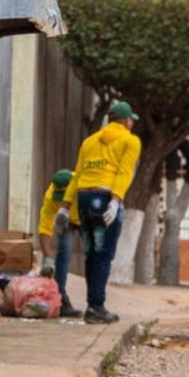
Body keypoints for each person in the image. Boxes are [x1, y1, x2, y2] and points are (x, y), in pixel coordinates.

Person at [64, 100, 142, 324]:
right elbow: (125, 172)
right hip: (106, 198)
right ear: (126, 121)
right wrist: (116, 200)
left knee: (92, 255)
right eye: (131, 121)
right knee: (104, 256)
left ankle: (93, 307)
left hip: (83, 198)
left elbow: (77, 174)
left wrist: (65, 206)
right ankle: (96, 307)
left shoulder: (89, 141)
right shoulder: (130, 140)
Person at [37, 168, 83, 318]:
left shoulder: (83, 185)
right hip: (67, 221)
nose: (61, 200)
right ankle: (62, 300)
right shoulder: (51, 196)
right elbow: (45, 226)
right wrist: (47, 258)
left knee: (95, 257)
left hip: (87, 219)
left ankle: (96, 304)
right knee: (64, 253)